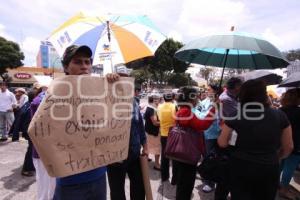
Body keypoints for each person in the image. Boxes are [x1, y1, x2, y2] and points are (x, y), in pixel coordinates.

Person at [52, 45, 120, 200]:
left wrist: (113, 86)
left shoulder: (101, 91)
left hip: (99, 176)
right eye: (77, 62)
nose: (84, 66)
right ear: (66, 66)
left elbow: (116, 120)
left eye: (87, 62)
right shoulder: (53, 96)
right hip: (70, 181)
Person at [218, 80, 293, 200]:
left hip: (240, 165)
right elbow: (288, 147)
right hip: (269, 167)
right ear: (264, 94)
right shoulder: (280, 115)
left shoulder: (236, 114)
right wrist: (277, 157)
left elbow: (222, 143)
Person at [107, 84, 148, 200]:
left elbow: (140, 125)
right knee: (117, 192)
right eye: (120, 78)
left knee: (139, 189)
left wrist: (145, 146)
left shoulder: (134, 102)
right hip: (115, 159)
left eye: (126, 78)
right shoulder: (105, 101)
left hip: (134, 155)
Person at [175, 86, 215, 200]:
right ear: (190, 99)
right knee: (185, 185)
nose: (198, 99)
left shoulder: (183, 109)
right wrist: (213, 109)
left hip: (185, 152)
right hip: (187, 154)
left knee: (184, 183)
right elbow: (202, 125)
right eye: (196, 96)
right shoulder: (185, 112)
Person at [215, 77, 243, 200]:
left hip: (231, 137)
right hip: (228, 138)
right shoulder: (226, 99)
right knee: (226, 171)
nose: (242, 88)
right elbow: (238, 116)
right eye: (241, 85)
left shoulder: (232, 98)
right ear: (236, 86)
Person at [279, 88, 300, 199]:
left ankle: (275, 184)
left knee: (281, 165)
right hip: (295, 144)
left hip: (280, 143)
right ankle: (284, 189)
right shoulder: (298, 112)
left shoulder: (280, 110)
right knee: (289, 167)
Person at [157, 93, 177, 185]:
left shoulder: (159, 107)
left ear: (164, 98)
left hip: (163, 134)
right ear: (172, 98)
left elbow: (158, 118)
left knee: (164, 156)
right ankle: (174, 179)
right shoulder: (175, 106)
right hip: (174, 134)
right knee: (175, 157)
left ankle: (164, 177)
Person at [20, 90, 36, 176]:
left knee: (31, 149)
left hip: (27, 131)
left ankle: (29, 167)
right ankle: (26, 169)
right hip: (29, 131)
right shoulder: (30, 107)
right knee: (30, 149)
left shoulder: (27, 105)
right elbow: (28, 121)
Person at [144, 95, 161, 170]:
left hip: (148, 131)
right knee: (157, 148)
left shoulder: (149, 108)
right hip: (153, 132)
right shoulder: (152, 109)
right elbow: (155, 123)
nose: (160, 101)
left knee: (147, 147)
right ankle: (157, 164)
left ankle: (144, 162)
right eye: (158, 100)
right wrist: (164, 122)